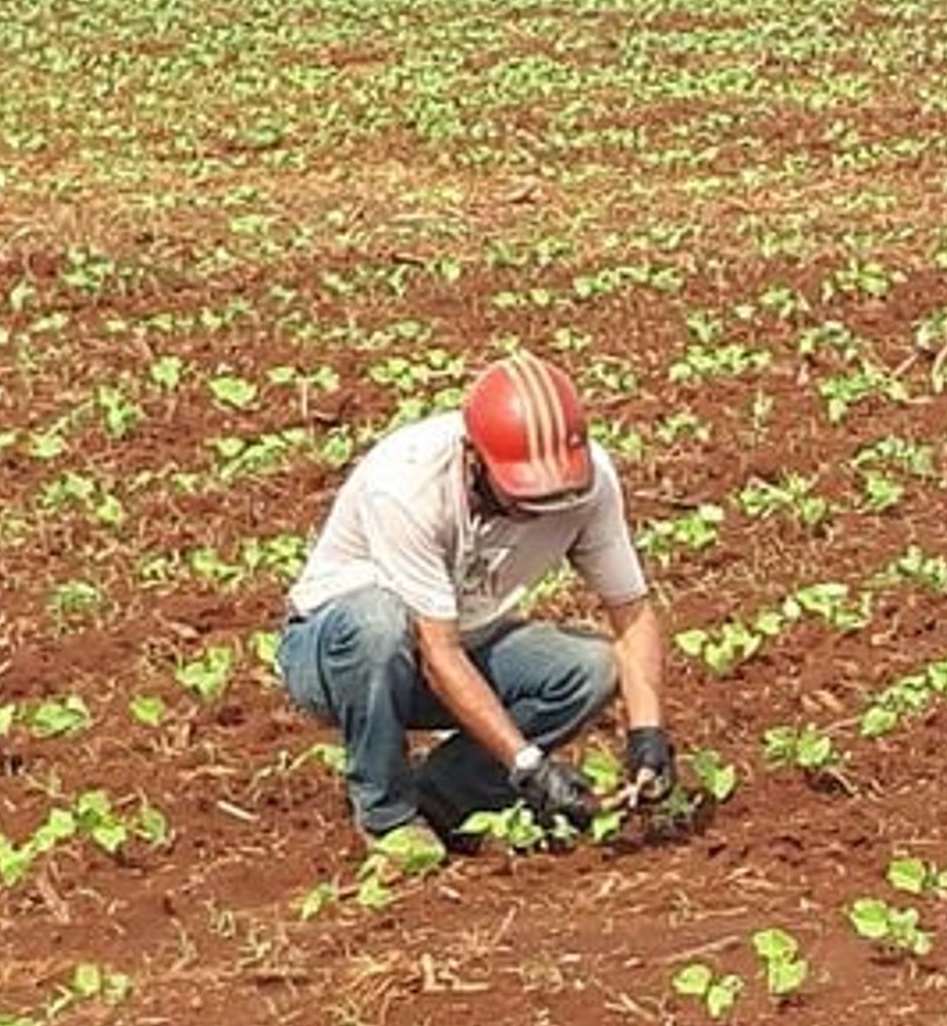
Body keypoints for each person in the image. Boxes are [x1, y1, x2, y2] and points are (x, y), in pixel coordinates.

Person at [278, 349, 676, 844]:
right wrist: (528, 764)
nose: (544, 509)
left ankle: (445, 796)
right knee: (378, 623)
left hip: (459, 644)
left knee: (593, 667)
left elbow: (632, 612)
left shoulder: (587, 481)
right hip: (337, 655)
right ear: (474, 457)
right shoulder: (408, 484)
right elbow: (437, 653)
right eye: (526, 496)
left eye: (556, 495)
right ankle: (388, 817)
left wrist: (647, 736)